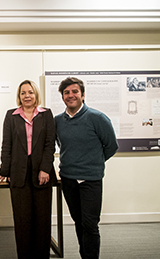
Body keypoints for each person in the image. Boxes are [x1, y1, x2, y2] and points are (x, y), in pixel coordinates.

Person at [55, 77, 118, 259]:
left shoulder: (97, 118)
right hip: (68, 179)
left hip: (91, 180)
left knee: (90, 224)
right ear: (62, 97)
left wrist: (94, 162)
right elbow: (60, 144)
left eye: (74, 91)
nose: (71, 95)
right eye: (66, 92)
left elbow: (111, 146)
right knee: (78, 222)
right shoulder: (58, 121)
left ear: (83, 95)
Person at [0, 80, 56, 259]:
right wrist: (4, 171)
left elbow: (49, 144)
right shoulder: (11, 116)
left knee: (42, 219)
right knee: (22, 221)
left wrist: (45, 168)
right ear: (19, 96)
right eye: (23, 93)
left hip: (41, 173)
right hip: (18, 173)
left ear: (36, 94)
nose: (27, 96)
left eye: (30, 92)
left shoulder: (46, 115)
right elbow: (6, 145)